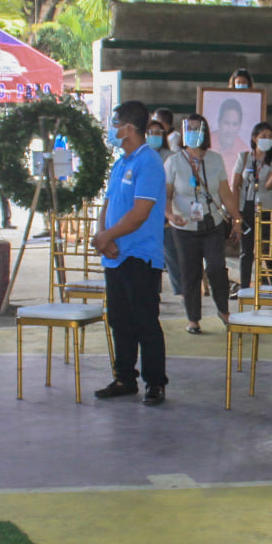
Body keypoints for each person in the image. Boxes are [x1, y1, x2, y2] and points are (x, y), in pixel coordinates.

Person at [93, 100, 168, 406]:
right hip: (115, 254)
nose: (111, 129)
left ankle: (155, 382)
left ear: (129, 128)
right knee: (119, 319)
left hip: (140, 255)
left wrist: (108, 236)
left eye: (115, 124)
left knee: (144, 320)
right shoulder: (121, 162)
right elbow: (108, 204)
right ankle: (125, 377)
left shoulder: (148, 163)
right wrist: (103, 236)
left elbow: (140, 213)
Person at [165, 113, 240, 335]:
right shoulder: (174, 161)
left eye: (198, 129)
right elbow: (167, 194)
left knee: (217, 267)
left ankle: (224, 310)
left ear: (205, 133)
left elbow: (225, 193)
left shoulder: (215, 159)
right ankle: (193, 318)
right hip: (184, 226)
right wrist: (170, 215)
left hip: (212, 223)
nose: (193, 133)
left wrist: (236, 219)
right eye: (190, 129)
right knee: (190, 271)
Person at [234, 122, 272, 290]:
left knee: (271, 246)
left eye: (270, 137)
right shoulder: (243, 157)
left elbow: (270, 185)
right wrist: (235, 212)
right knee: (246, 249)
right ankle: (244, 286)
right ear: (254, 138)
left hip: (267, 207)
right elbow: (236, 184)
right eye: (263, 136)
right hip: (247, 206)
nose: (267, 140)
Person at [150, 118, 185, 298]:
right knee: (151, 252)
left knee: (171, 251)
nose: (154, 136)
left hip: (166, 209)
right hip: (146, 210)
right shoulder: (142, 155)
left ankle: (181, 290)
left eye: (158, 133)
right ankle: (152, 290)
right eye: (151, 133)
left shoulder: (169, 157)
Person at [212, 96, 248, 169]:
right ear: (219, 122)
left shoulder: (245, 152)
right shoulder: (207, 142)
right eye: (226, 123)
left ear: (240, 126)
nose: (230, 130)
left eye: (234, 124)